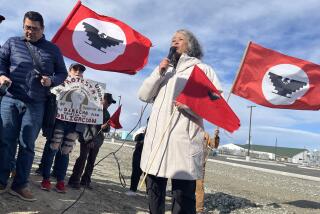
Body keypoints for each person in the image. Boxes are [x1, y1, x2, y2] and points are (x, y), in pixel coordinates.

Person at [138, 29, 222, 214]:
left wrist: (190, 105)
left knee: (183, 196)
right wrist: (158, 73)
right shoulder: (164, 69)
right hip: (156, 140)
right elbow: (143, 95)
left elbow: (215, 102)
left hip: (183, 139)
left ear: (190, 46)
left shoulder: (203, 69)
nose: (174, 42)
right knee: (154, 190)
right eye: (172, 39)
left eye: (180, 39)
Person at [0, 11, 67, 201]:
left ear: (43, 29)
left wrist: (51, 81)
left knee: (27, 145)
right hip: (10, 99)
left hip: (36, 103)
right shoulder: (12, 42)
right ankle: (2, 179)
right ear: (23, 26)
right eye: (27, 27)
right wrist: (1, 75)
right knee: (5, 141)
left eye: (35, 29)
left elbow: (62, 74)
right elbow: (1, 62)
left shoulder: (53, 49)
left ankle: (20, 185)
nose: (30, 32)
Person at [39, 63, 86, 193]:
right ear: (69, 71)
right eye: (75, 69)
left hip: (74, 125)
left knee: (65, 153)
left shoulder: (87, 88)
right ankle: (46, 179)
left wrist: (80, 129)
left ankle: (60, 181)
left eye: (81, 70)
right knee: (53, 149)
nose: (78, 72)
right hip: (58, 121)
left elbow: (88, 110)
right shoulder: (60, 83)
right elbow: (50, 97)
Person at [68, 93, 116, 189]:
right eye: (108, 102)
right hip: (87, 139)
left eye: (110, 103)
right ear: (101, 100)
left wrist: (105, 127)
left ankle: (85, 181)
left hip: (97, 141)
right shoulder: (90, 108)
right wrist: (89, 139)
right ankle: (74, 180)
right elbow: (85, 125)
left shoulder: (107, 114)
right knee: (82, 158)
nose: (109, 104)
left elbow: (106, 129)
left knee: (91, 161)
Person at [195, 129, 220, 214]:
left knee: (199, 187)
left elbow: (214, 145)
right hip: (187, 164)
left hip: (200, 165)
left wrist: (216, 136)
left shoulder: (205, 135)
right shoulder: (188, 131)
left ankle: (199, 209)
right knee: (187, 186)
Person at [125, 126, 146, 196]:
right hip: (139, 153)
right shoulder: (143, 129)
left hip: (150, 155)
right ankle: (132, 189)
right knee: (135, 173)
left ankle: (149, 193)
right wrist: (143, 134)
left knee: (149, 176)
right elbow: (135, 138)